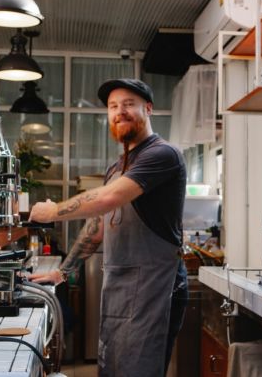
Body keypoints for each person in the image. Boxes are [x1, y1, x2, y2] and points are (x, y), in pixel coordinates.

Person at [27, 78, 188, 377]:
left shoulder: (163, 154)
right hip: (120, 285)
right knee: (113, 368)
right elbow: (96, 227)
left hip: (155, 286)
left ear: (148, 109)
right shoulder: (117, 167)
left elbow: (109, 198)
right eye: (113, 106)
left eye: (128, 104)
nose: (119, 112)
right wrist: (62, 272)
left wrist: (53, 212)